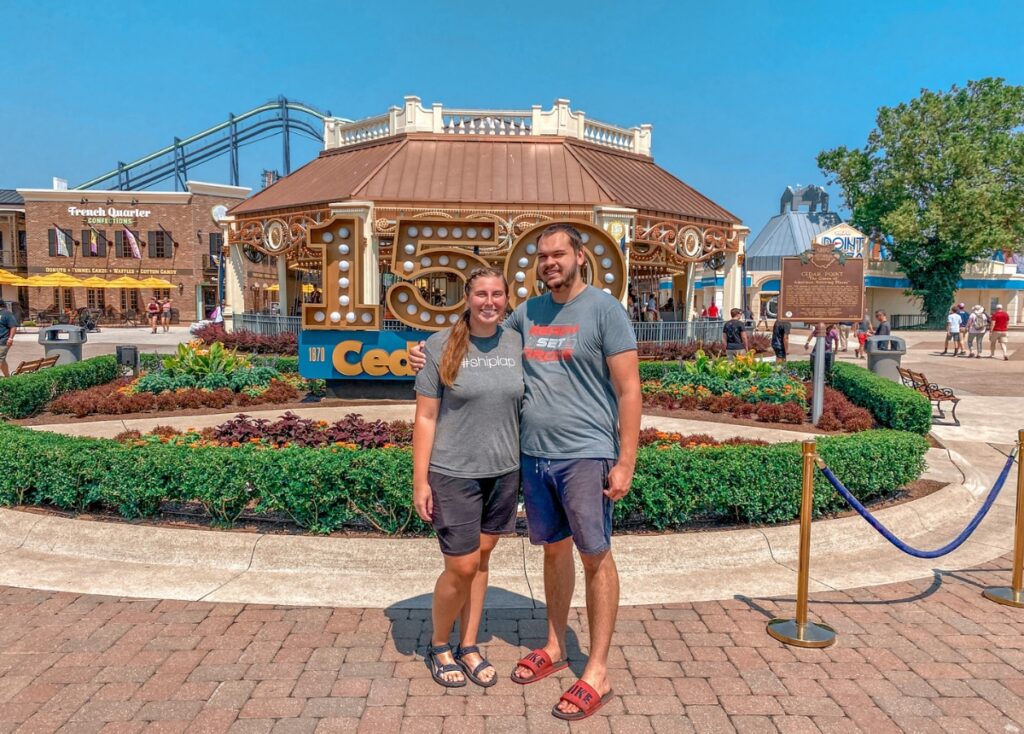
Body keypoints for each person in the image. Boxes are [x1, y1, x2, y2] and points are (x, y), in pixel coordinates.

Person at [411, 223, 641, 721]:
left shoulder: (604, 310)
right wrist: (422, 352)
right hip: (533, 457)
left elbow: (629, 389)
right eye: (543, 257)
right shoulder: (526, 314)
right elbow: (475, 338)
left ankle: (597, 671)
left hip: (586, 453)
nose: (551, 263)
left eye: (559, 254)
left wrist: (626, 460)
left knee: (596, 555)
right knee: (554, 553)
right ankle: (555, 646)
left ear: (580, 256)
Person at [413, 268, 523, 689]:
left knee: (482, 560)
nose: (489, 301)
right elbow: (425, 417)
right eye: (481, 294)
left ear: (507, 298)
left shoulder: (516, 342)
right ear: (467, 298)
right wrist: (419, 481)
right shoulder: (440, 346)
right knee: (460, 565)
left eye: (497, 293)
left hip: (503, 471)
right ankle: (440, 644)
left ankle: (470, 644)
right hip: (452, 472)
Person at [0, 302, 17, 378]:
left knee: (0, 359)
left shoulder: (7, 314)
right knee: (2, 360)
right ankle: (8, 377)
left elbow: (13, 326)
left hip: (3, 340)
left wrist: (10, 338)